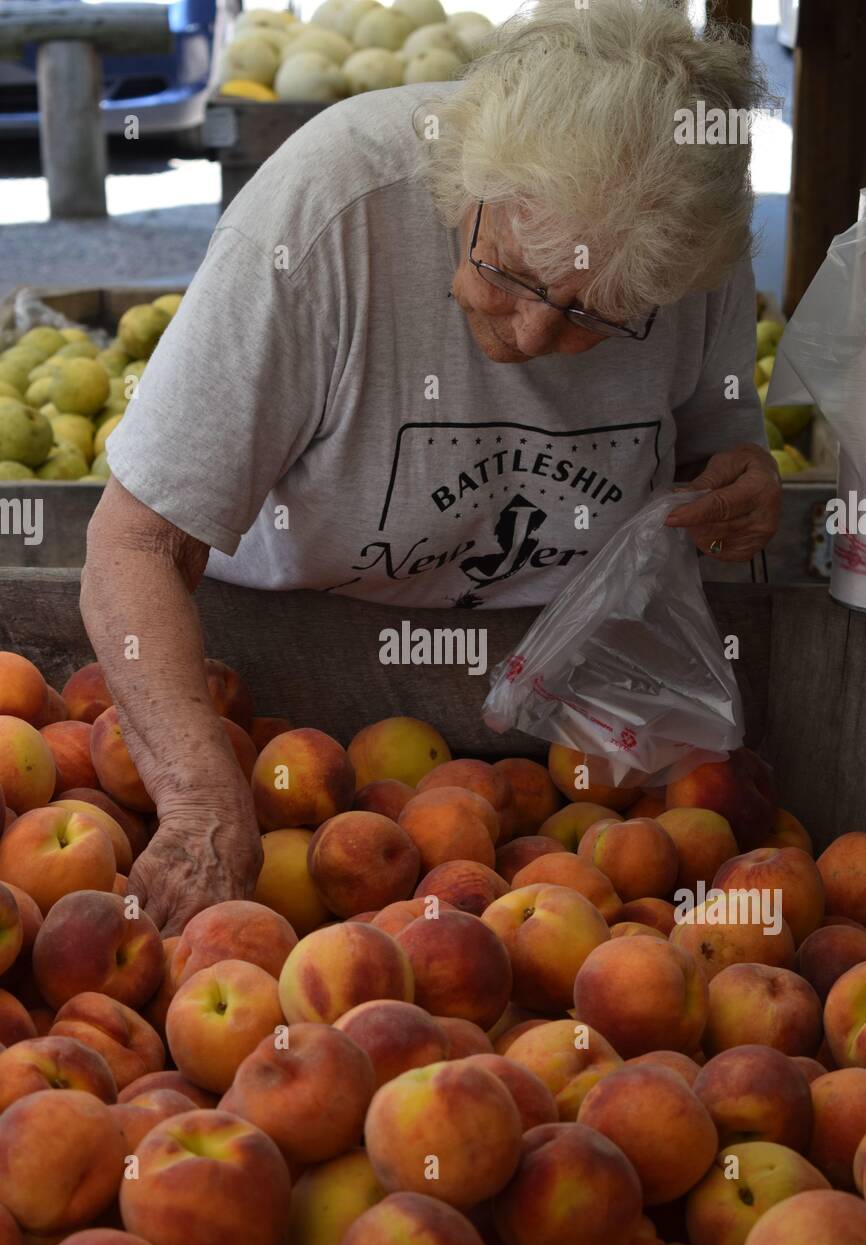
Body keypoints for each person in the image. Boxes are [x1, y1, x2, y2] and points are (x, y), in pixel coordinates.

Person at [81, 0, 781, 933]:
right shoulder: (330, 213)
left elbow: (714, 431)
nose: (531, 334)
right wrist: (203, 799)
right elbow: (133, 543)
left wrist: (738, 475)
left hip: (573, 730)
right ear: (465, 181)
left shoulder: (684, 246)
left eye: (596, 316)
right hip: (286, 693)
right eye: (511, 275)